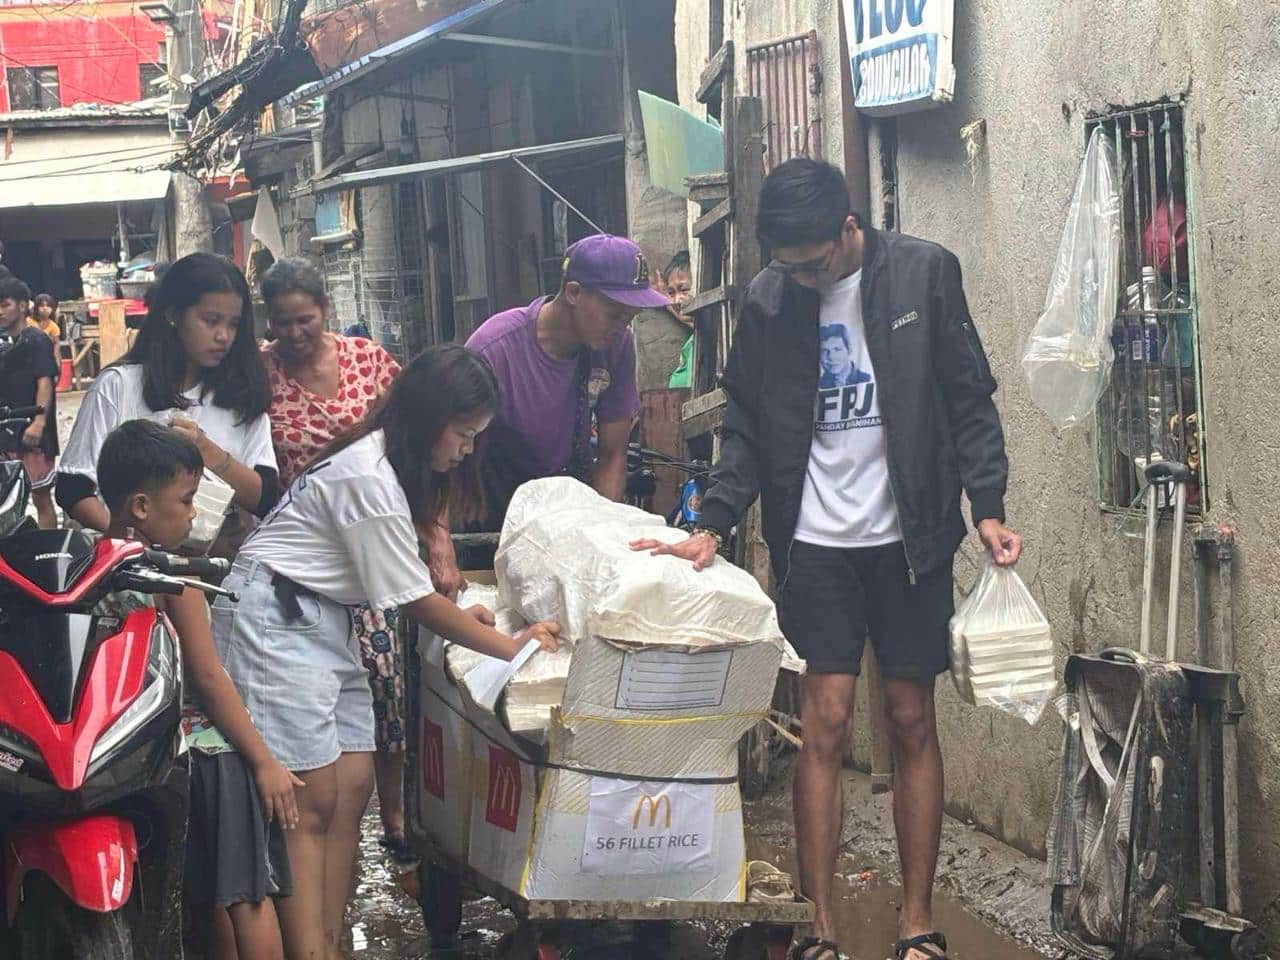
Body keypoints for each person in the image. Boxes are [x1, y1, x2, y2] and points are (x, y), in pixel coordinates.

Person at [633, 158, 1022, 960]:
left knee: (912, 719)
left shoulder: (924, 273)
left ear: (850, 229)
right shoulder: (772, 299)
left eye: (813, 264)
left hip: (909, 537)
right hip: (815, 541)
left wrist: (987, 505)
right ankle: (818, 927)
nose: (803, 280)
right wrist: (715, 517)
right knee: (825, 723)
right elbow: (742, 417)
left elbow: (968, 395)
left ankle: (917, 925)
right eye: (788, 267)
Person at [212, 344, 560, 960]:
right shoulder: (367, 476)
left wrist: (470, 620)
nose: (466, 450)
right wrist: (512, 646)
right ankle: (308, 951)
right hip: (275, 617)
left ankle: (326, 939)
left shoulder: (389, 468)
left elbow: (412, 588)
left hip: (324, 616)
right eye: (463, 433)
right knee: (306, 798)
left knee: (351, 785)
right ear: (430, 419)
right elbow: (418, 601)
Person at [95, 420, 296, 960]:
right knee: (245, 895)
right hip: (210, 753)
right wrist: (263, 760)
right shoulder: (168, 573)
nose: (192, 514)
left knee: (203, 899)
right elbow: (208, 677)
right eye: (185, 500)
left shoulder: (92, 565)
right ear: (142, 506)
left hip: (144, 758)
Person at [259, 258, 417, 859]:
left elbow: (406, 431)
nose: (294, 335)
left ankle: (395, 816)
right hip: (304, 553)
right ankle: (320, 810)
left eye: (304, 320)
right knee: (320, 688)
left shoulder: (367, 359)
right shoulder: (260, 374)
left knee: (387, 688)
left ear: (324, 310)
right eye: (281, 324)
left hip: (372, 541)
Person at [57, 253, 279, 535]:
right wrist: (135, 549)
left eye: (233, 324)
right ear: (173, 315)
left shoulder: (241, 395)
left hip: (218, 570)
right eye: (210, 320)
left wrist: (205, 449)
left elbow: (265, 498)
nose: (223, 335)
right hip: (133, 570)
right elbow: (73, 488)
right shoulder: (118, 387)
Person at [464, 234, 668, 533]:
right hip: (493, 507)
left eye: (630, 317)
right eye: (613, 313)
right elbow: (448, 455)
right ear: (574, 293)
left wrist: (601, 534)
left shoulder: (617, 344)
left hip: (568, 506)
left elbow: (613, 455)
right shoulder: (493, 349)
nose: (621, 327)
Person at [0, 276, 59, 529]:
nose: (0, 312)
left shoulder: (37, 339)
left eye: (4, 304)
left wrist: (39, 423)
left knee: (40, 496)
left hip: (32, 430)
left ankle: (46, 549)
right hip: (5, 428)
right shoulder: (3, 343)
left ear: (23, 306)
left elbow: (45, 382)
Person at [662, 251, 697, 390]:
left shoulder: (715, 337)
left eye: (684, 290)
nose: (676, 300)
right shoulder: (693, 339)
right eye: (671, 293)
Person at [817, 323, 872, 389]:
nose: (831, 357)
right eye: (824, 351)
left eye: (837, 349)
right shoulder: (817, 384)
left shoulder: (868, 380)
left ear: (849, 350)